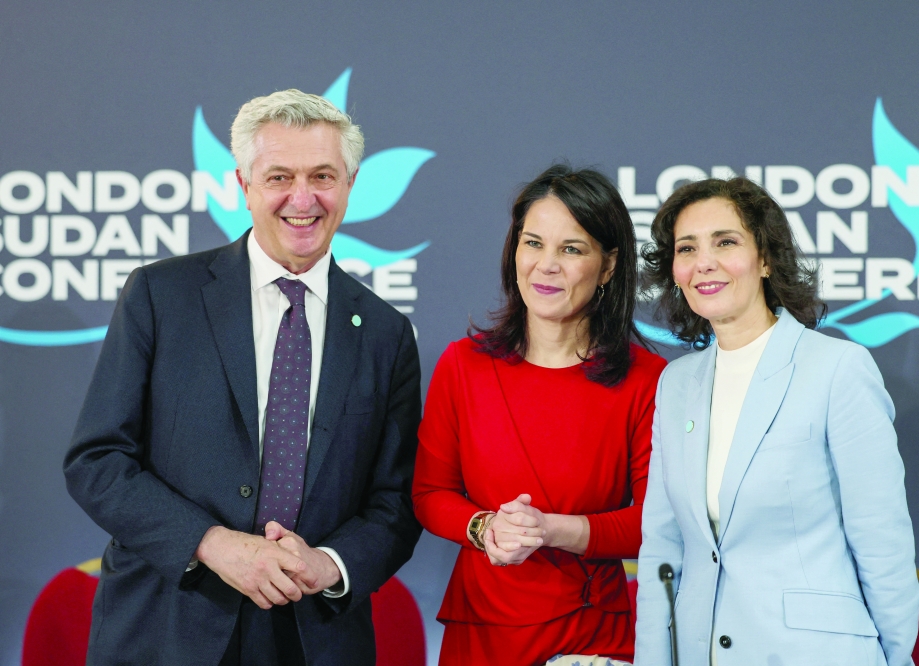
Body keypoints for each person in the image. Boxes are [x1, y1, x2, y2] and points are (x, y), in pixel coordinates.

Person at [64, 89, 423, 666]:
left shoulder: (385, 333)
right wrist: (212, 546)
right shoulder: (160, 297)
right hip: (167, 625)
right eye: (279, 176)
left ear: (350, 185)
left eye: (323, 176)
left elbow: (396, 503)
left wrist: (328, 564)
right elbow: (99, 461)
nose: (302, 199)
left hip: (314, 634)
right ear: (243, 185)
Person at [634, 177, 919, 666]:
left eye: (725, 242)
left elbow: (881, 540)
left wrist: (894, 659)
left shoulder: (837, 369)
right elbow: (663, 546)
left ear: (765, 259)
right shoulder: (676, 384)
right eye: (688, 248)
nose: (704, 262)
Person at [413, 164, 667, 665]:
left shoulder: (647, 378)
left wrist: (550, 530)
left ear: (609, 265)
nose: (546, 265)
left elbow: (652, 522)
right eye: (533, 244)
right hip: (480, 628)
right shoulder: (463, 365)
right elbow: (429, 494)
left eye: (571, 249)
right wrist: (485, 528)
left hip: (591, 633)